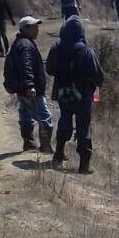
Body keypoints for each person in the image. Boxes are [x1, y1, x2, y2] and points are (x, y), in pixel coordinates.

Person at [46, 16, 104, 174]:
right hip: (82, 96)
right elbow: (98, 76)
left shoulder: (56, 48)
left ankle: (58, 153)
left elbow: (49, 70)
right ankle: (83, 166)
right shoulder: (86, 51)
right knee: (83, 127)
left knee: (64, 119)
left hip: (63, 93)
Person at [3, 16, 53, 153]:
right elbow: (26, 66)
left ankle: (29, 143)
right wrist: (30, 85)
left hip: (21, 88)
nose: (37, 30)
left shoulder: (20, 42)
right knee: (45, 116)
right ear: (25, 29)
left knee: (25, 114)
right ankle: (45, 146)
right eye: (34, 27)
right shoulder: (25, 45)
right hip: (29, 88)